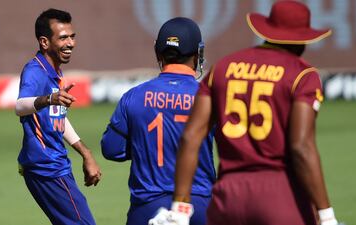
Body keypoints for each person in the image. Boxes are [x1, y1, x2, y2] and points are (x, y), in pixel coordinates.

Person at [151, 1, 339, 225]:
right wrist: (326, 215)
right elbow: (301, 147)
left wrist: (180, 209)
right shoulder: (302, 74)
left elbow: (190, 137)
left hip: (227, 198)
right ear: (303, 38)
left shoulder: (223, 67)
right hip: (279, 193)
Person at [100, 17, 216, 225]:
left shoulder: (133, 96)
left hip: (147, 208)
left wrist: (144, 146)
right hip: (198, 207)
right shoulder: (209, 97)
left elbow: (111, 149)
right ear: (199, 53)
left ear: (158, 52)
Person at [15, 8, 101, 225]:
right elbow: (20, 106)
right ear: (45, 42)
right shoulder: (35, 71)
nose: (70, 43)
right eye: (63, 38)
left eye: (72, 37)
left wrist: (85, 152)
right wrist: (49, 99)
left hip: (53, 165)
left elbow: (57, 119)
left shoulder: (54, 71)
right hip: (47, 167)